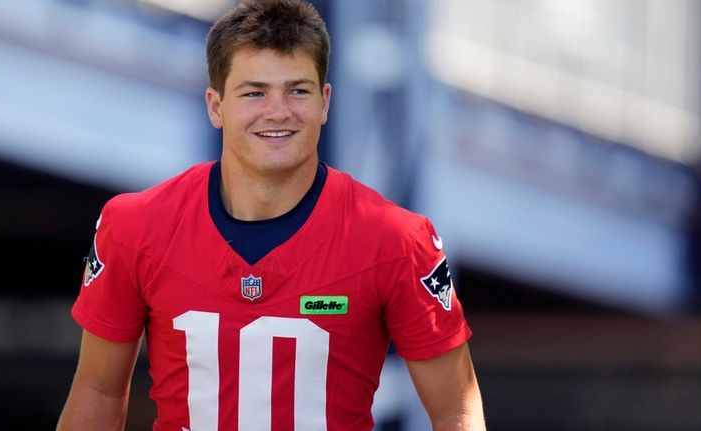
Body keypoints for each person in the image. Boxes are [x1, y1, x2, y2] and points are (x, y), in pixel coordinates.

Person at [56, 0, 485, 430]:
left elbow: (457, 411)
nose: (277, 111)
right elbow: (98, 391)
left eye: (297, 90)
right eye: (254, 92)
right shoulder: (135, 226)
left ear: (325, 102)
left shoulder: (395, 239)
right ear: (215, 105)